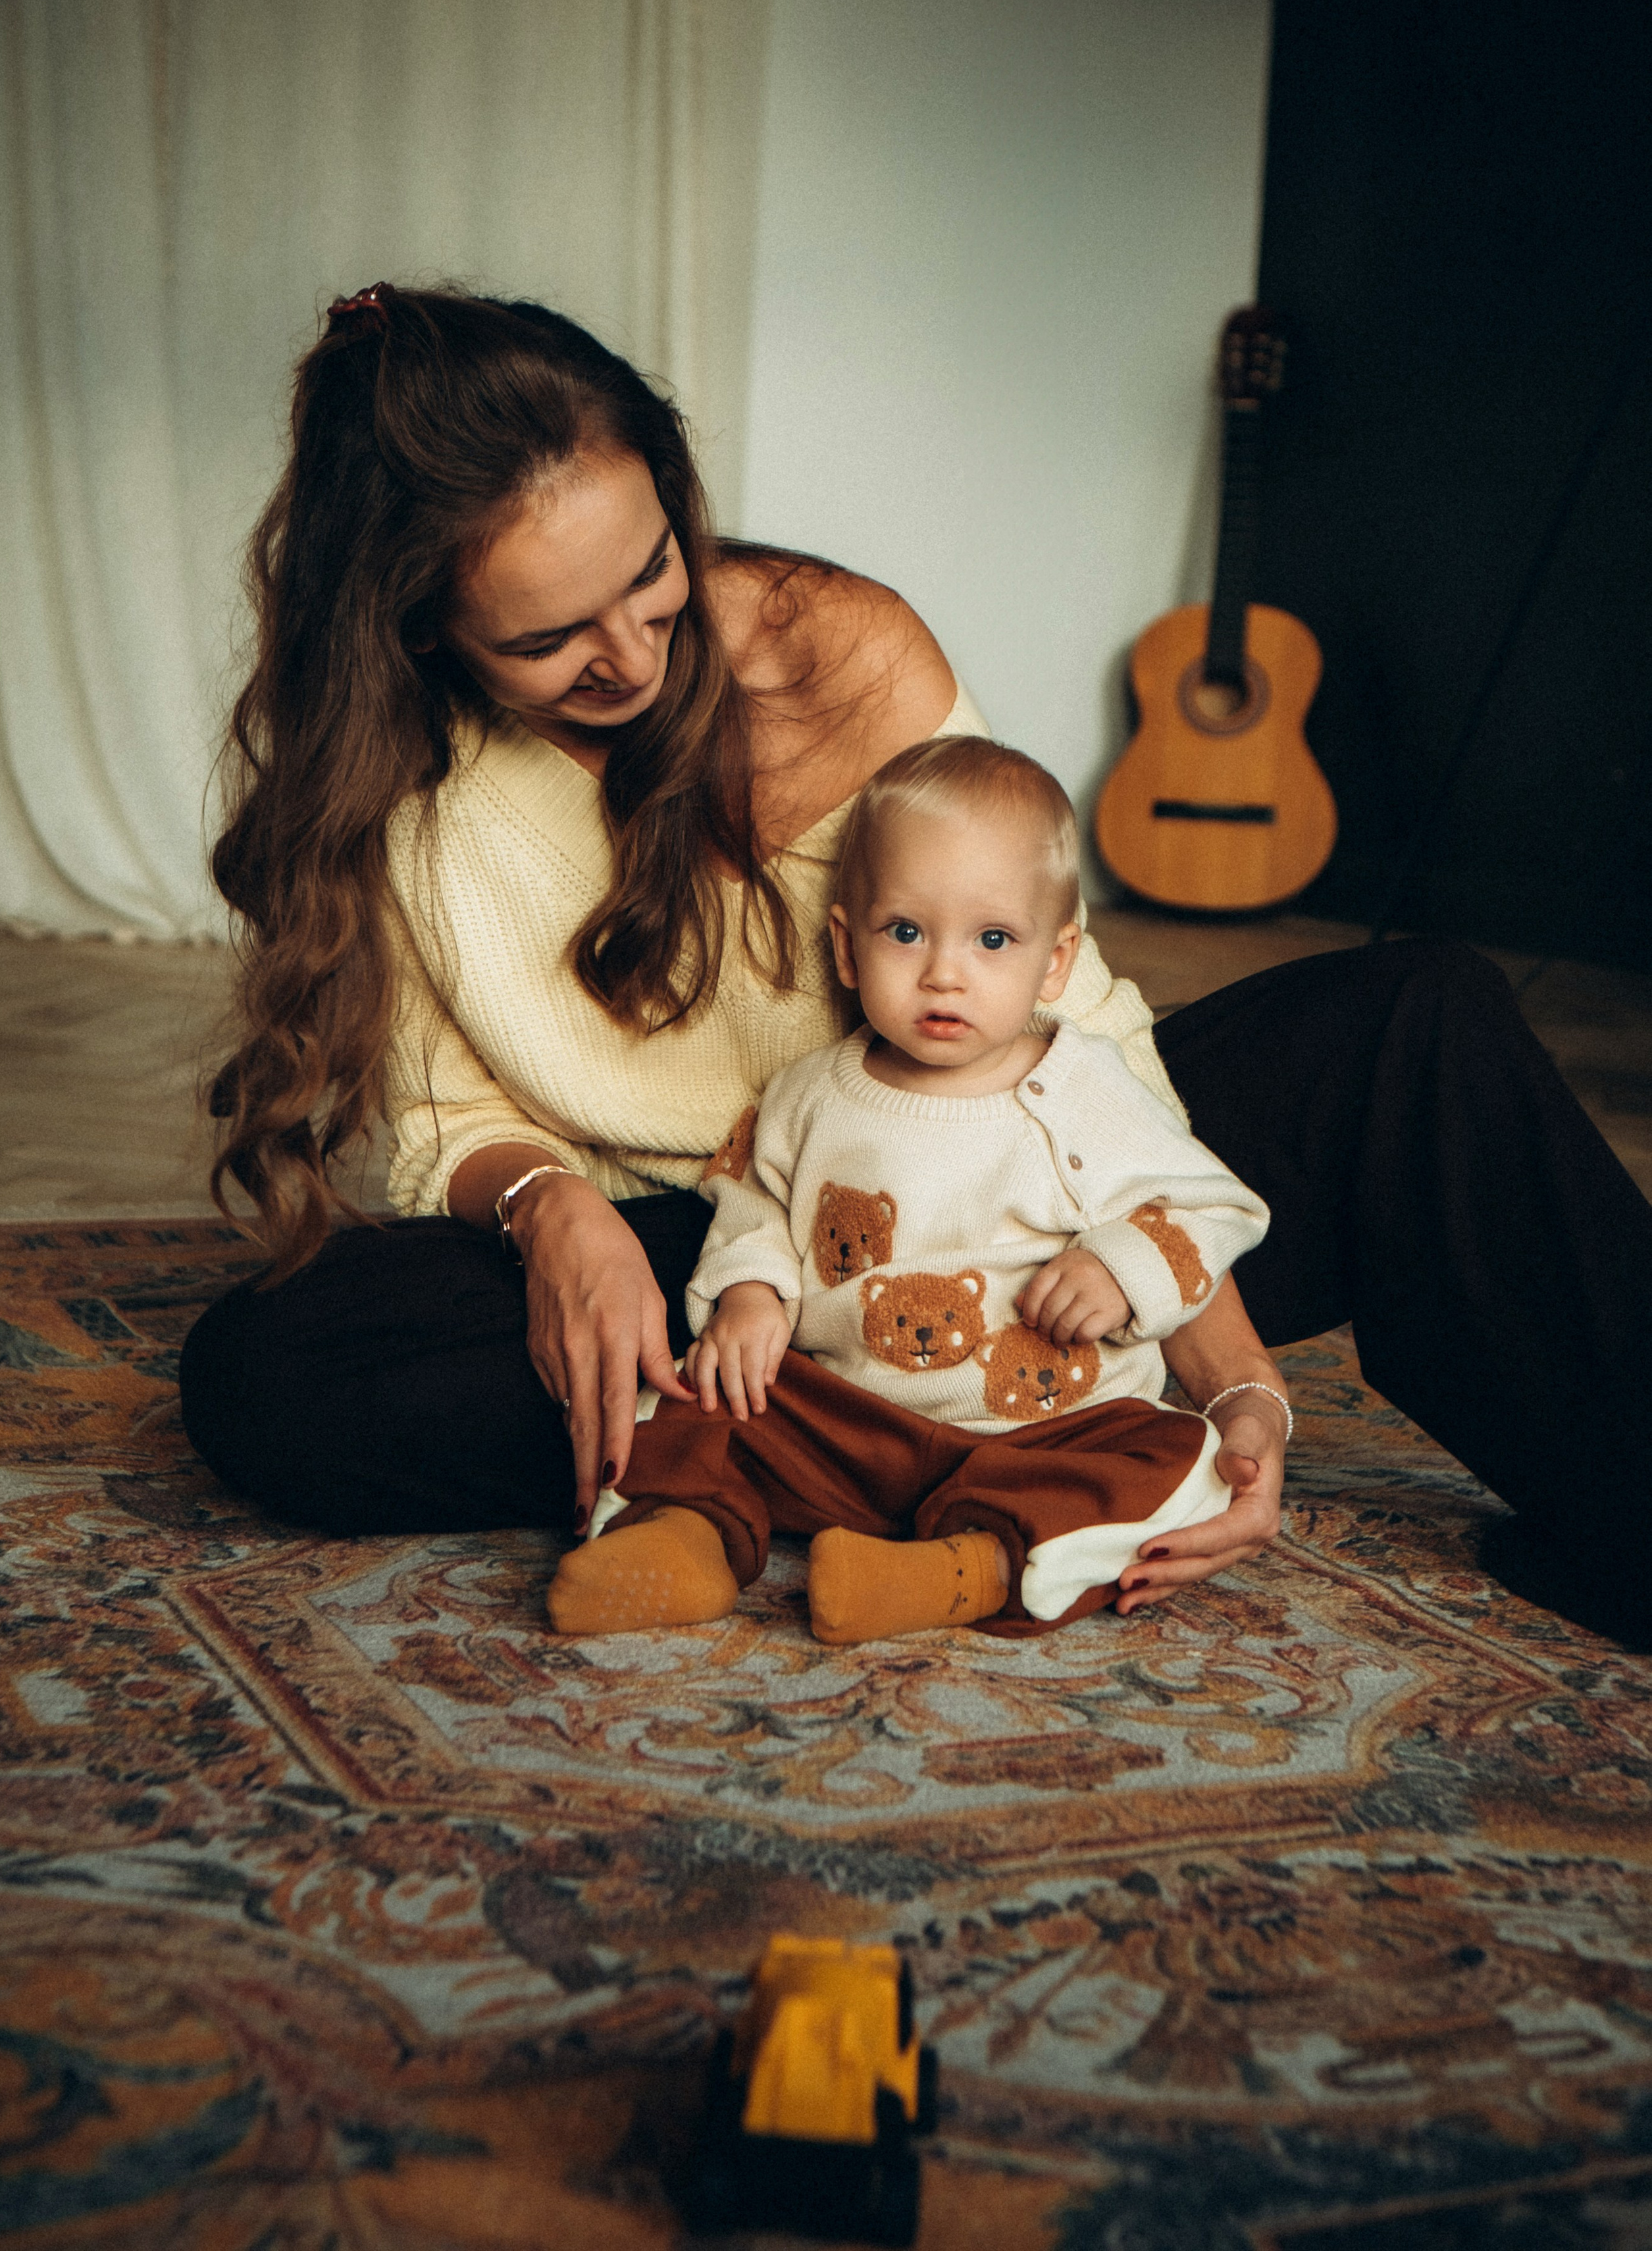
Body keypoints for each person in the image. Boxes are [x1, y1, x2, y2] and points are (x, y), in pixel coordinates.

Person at [180, 283, 1652, 1649]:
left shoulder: (830, 652)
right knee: (267, 1371)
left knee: (1420, 1018)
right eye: (551, 638)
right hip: (738, 1265)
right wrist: (551, 1206)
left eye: (652, 581)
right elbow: (448, 1125)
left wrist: (1236, 1392)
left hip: (1020, 1213)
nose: (630, 658)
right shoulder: (395, 786)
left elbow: (1061, 1017)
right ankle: (913, 1454)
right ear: (417, 625)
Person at [544, 736, 1274, 1644]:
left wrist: (1123, 1267)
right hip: (852, 1425)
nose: (944, 971)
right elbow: (753, 1199)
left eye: (994, 940)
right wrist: (750, 1294)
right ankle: (683, 1537)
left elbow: (1217, 1206)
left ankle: (962, 1572)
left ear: (1055, 963)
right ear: (848, 948)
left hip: (1047, 1434)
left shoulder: (1085, 1089)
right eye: (906, 932)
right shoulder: (812, 1093)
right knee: (691, 1395)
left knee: (1185, 1461)